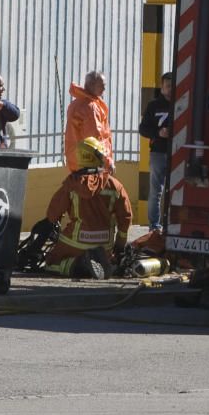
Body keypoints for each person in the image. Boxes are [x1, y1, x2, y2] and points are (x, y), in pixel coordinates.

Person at [43, 137, 132, 279]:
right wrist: (119, 246)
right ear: (98, 156)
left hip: (75, 243)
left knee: (51, 262)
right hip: (105, 247)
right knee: (105, 258)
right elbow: (126, 217)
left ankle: (79, 264)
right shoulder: (115, 185)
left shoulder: (71, 183)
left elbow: (53, 213)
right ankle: (96, 264)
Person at [138, 71, 172, 232]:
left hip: (178, 154)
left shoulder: (184, 102)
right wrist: (158, 133)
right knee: (156, 191)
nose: (171, 89)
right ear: (162, 87)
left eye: (173, 85)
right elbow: (143, 129)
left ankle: (172, 225)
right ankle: (154, 226)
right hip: (158, 152)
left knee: (174, 191)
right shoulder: (153, 106)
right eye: (168, 86)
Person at [64, 70, 113, 172]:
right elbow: (95, 138)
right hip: (91, 163)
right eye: (102, 85)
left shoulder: (75, 104)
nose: (104, 88)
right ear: (91, 85)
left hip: (76, 162)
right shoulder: (91, 107)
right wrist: (107, 161)